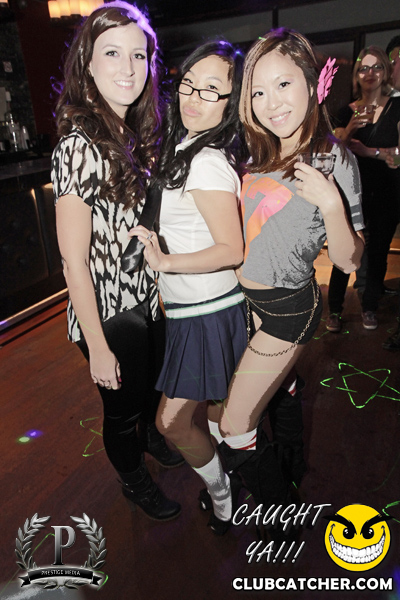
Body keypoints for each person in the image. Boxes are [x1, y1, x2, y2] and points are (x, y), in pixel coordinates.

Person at [212, 28, 364, 523]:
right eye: (258, 91)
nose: (271, 102)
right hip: (247, 304)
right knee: (279, 389)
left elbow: (350, 261)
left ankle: (279, 519)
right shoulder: (256, 154)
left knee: (234, 424)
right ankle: (291, 463)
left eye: (283, 84)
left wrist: (332, 207)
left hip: (288, 311)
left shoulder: (334, 158)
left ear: (312, 84)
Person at [52, 1, 182, 522]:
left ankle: (150, 437)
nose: (128, 67)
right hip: (108, 313)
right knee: (122, 410)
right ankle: (134, 482)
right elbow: (73, 262)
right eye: (112, 53)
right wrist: (99, 349)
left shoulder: (133, 136)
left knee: (150, 391)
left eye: (138, 55)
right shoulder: (78, 145)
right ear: (87, 63)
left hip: (143, 298)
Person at [131, 40, 249, 534]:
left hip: (207, 313)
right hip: (197, 310)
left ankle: (223, 496)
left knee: (172, 422)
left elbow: (232, 249)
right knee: (222, 415)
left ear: (230, 103)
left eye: (211, 90)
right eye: (188, 85)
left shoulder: (206, 161)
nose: (194, 98)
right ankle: (241, 484)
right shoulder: (186, 149)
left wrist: (165, 261)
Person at [327, 46, 400, 332]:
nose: (370, 73)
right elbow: (332, 151)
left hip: (386, 190)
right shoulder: (345, 111)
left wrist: (371, 152)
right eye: (364, 68)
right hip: (352, 192)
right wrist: (349, 129)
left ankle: (369, 306)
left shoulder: (396, 107)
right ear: (357, 75)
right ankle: (335, 309)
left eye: (377, 67)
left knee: (378, 251)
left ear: (385, 72)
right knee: (345, 248)